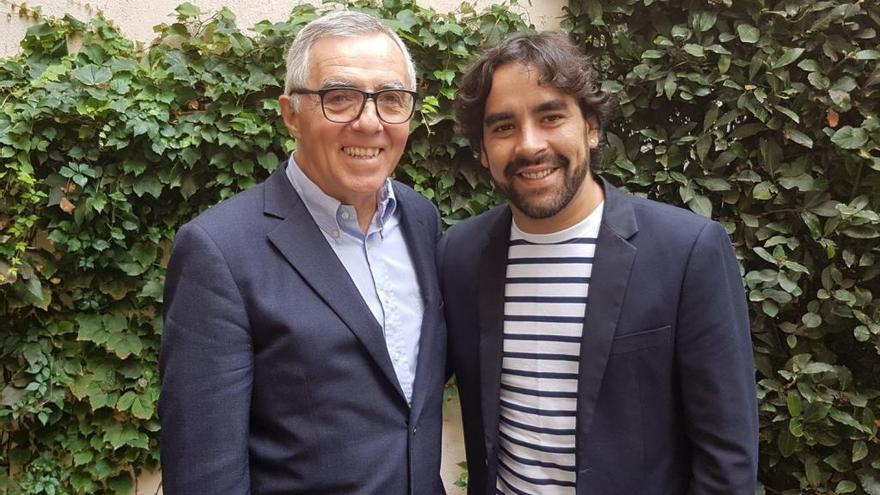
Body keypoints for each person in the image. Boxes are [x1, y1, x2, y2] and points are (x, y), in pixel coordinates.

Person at [440, 33, 758, 494]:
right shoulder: (460, 253)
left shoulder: (687, 251)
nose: (529, 145)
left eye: (551, 117)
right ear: (484, 150)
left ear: (590, 127)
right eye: (503, 127)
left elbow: (727, 458)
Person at [159, 11, 446, 494]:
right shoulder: (220, 250)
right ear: (291, 114)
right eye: (340, 98)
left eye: (392, 100)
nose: (369, 122)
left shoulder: (420, 219)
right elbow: (204, 472)